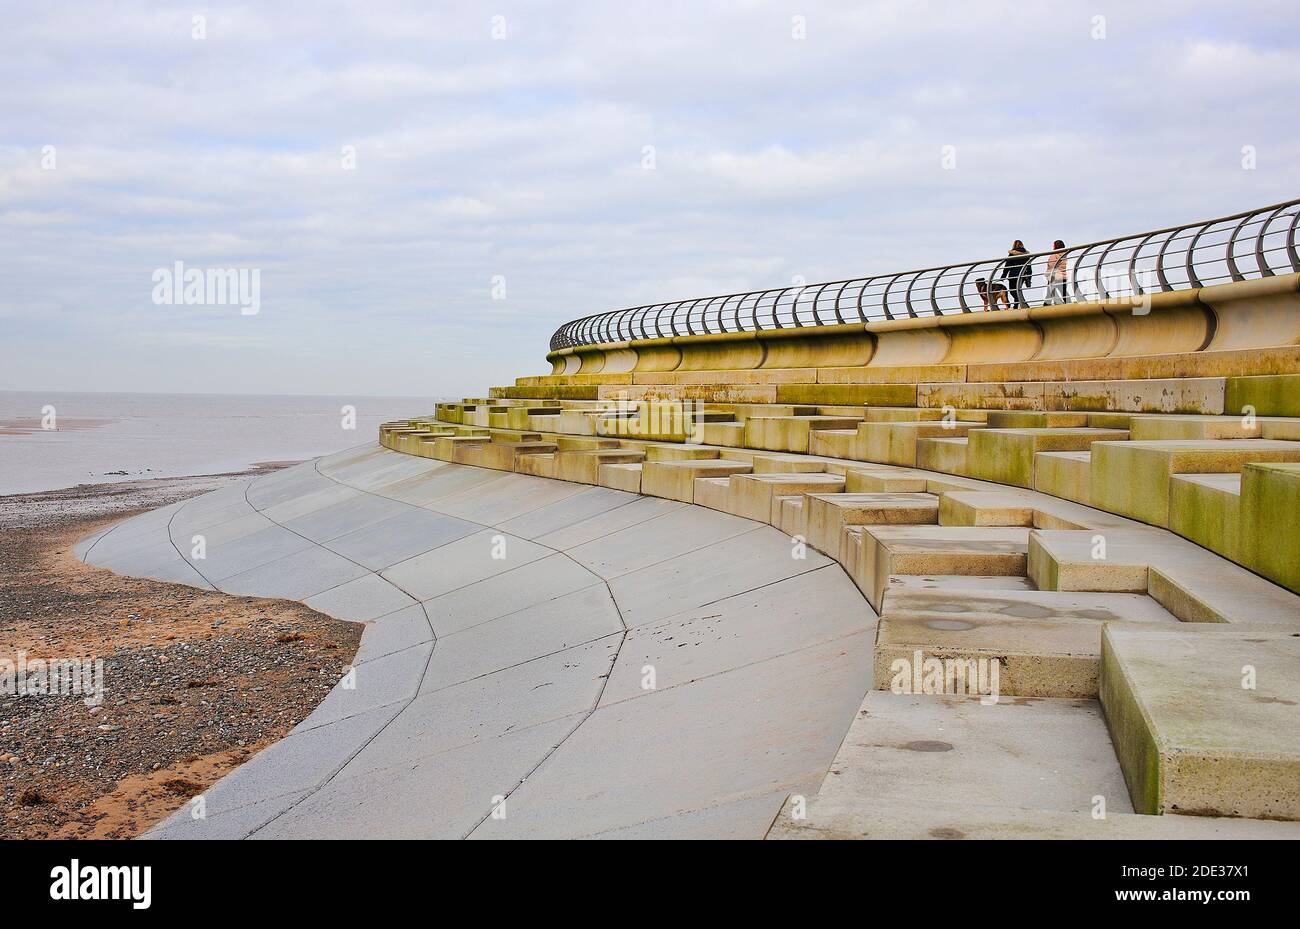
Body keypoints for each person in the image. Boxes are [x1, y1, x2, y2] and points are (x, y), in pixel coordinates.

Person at [1003, 240, 1032, 308]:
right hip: (1022, 275)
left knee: (1012, 291)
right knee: (1018, 290)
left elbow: (1007, 266)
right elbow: (1029, 267)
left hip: (1013, 275)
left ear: (1014, 245)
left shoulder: (1012, 254)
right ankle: (1016, 305)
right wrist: (1029, 277)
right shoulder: (1026, 255)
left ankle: (1021, 303)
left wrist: (1003, 275)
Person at [1045, 240, 1069, 304]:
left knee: (1049, 292)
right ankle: (1069, 303)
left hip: (1054, 276)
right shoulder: (1064, 255)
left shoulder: (1055, 254)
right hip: (1062, 275)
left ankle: (1045, 306)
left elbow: (1051, 265)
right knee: (1063, 292)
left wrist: (1047, 273)